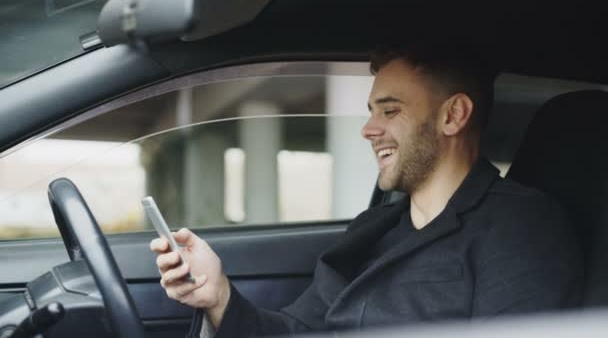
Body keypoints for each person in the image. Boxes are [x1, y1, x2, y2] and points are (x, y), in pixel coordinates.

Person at [150, 44, 583, 338]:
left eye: (390, 111)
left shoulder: (520, 227)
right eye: (371, 112)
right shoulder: (372, 230)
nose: (368, 130)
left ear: (454, 116)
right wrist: (219, 294)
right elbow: (297, 331)